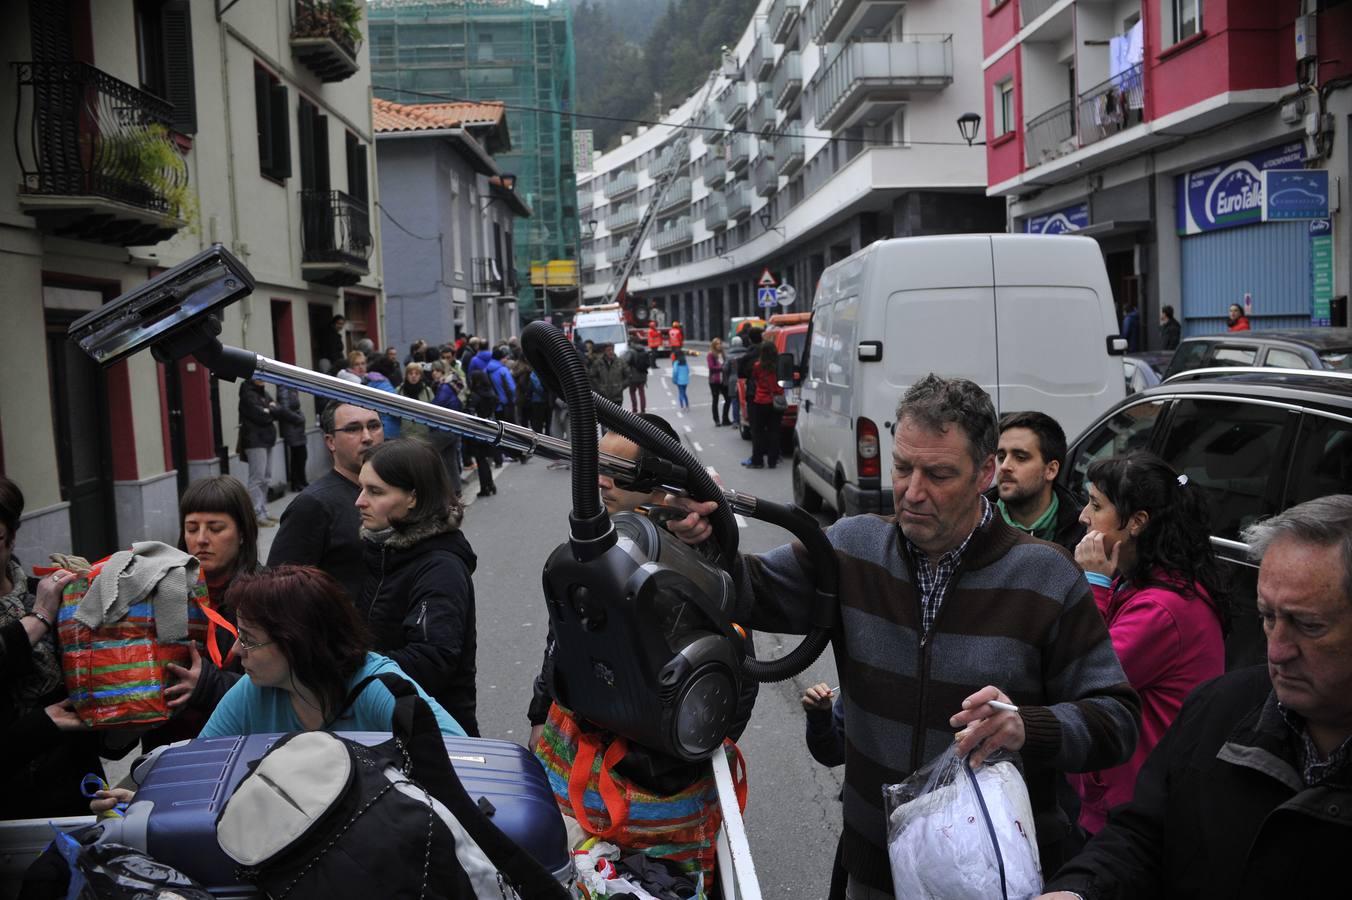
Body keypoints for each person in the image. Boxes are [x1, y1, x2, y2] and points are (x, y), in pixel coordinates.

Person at [667, 374, 1140, 896]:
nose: (913, 492)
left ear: (986, 472)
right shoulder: (852, 548)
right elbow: (748, 588)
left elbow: (1116, 720)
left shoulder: (1046, 577)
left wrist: (1029, 727)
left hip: (998, 878)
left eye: (938, 474)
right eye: (902, 467)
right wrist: (702, 541)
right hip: (874, 872)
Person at [1038, 494, 1352, 900]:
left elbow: (1087, 676)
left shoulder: (1164, 610)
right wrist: (1078, 892)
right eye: (1268, 618)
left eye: (1308, 626)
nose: (1277, 650)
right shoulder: (1218, 709)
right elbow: (1142, 837)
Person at [90, 566, 466, 815]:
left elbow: (462, 760)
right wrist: (149, 798)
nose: (237, 651)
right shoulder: (255, 691)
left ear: (297, 643)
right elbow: (199, 769)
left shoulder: (376, 687)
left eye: (249, 639)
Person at [1066, 450, 1228, 835]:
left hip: (1135, 814)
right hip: (1126, 797)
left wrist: (1093, 586)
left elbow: (1082, 677)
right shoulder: (1140, 582)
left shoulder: (1161, 609)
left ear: (1137, 522)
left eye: (1096, 505)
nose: (1082, 517)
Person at [357, 439, 479, 736]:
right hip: (389, 721)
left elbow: (430, 661)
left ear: (413, 497)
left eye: (375, 491)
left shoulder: (440, 566)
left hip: (434, 736)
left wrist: (346, 664)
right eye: (361, 488)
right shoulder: (383, 550)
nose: (359, 500)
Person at [0, 476, 102, 818]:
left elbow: (90, 707)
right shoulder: (44, 605)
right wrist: (40, 616)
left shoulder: (44, 593)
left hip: (78, 796)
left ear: (12, 538)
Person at [143, 475, 262, 750]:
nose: (201, 539)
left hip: (240, 749)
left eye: (216, 528)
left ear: (243, 533)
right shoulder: (160, 593)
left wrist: (207, 685)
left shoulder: (265, 597)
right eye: (192, 528)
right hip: (167, 750)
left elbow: (281, 688)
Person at [268, 402, 384, 603]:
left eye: (374, 426)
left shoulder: (397, 492)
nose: (367, 437)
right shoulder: (313, 505)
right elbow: (277, 589)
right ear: (331, 442)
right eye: (353, 429)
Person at [985, 411, 1085, 552]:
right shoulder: (973, 522)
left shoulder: (1084, 526)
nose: (1005, 466)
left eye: (1020, 457)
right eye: (1001, 457)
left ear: (1051, 470)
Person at [802, 682, 848, 900]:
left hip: (948, 840)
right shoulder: (866, 663)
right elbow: (832, 752)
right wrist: (820, 716)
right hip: (864, 842)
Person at [238, 378, 281, 526]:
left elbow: (277, 410)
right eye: (259, 375)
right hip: (254, 441)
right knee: (257, 478)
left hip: (267, 439)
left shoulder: (264, 393)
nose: (263, 379)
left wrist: (271, 409)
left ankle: (263, 510)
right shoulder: (247, 395)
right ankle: (255, 515)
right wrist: (269, 410)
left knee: (266, 477)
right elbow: (260, 416)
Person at [743, 342, 784, 469]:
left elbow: (754, 379)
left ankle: (758, 460)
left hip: (760, 401)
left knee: (758, 432)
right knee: (774, 432)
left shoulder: (757, 366)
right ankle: (773, 460)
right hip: (776, 401)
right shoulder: (778, 366)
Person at [429, 360, 465, 499]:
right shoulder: (451, 385)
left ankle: (441, 491)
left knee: (428, 453)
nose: (434, 374)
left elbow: (436, 406)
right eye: (432, 371)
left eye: (437, 371)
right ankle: (456, 490)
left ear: (443, 372)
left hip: (445, 428)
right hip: (453, 427)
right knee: (450, 460)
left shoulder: (444, 387)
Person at [464, 370, 499, 496]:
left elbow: (470, 413)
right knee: (485, 459)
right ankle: (490, 485)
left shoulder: (475, 396)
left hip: (477, 430)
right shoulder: (490, 393)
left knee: (480, 459)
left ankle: (485, 487)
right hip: (489, 428)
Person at [276, 386, 308, 493]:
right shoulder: (284, 388)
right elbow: (284, 410)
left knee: (301, 456)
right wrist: (299, 418)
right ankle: (297, 483)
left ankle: (302, 481)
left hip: (297, 427)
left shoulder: (291, 387)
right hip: (292, 427)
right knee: (297, 456)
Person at [397, 361, 434, 439]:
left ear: (420, 376)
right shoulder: (399, 390)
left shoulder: (427, 391)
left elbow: (433, 411)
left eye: (416, 374)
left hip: (423, 433)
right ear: (406, 375)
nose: (413, 376)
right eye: (410, 373)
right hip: (404, 434)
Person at [588, 342, 627, 411]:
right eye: (608, 350)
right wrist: (599, 387)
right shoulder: (598, 363)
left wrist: (621, 386)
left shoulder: (620, 362)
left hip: (617, 397)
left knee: (618, 417)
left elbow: (628, 376)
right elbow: (592, 376)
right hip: (603, 396)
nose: (610, 352)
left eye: (611, 350)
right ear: (604, 351)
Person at [725, 335, 749, 427]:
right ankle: (745, 418)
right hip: (744, 379)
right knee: (745, 400)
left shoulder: (729, 356)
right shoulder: (746, 354)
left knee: (734, 401)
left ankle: (736, 421)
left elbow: (725, 369)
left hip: (732, 380)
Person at [707, 337, 730, 426]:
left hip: (723, 380)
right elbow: (711, 367)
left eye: (720, 343)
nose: (719, 345)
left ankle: (725, 418)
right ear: (714, 345)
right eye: (717, 344)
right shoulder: (711, 354)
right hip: (714, 381)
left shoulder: (723, 354)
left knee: (728, 399)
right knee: (715, 400)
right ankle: (716, 420)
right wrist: (722, 368)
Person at [626, 345, 651, 413]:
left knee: (632, 392)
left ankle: (634, 409)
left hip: (633, 376)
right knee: (642, 393)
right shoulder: (644, 353)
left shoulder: (631, 352)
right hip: (643, 376)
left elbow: (627, 362)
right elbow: (648, 364)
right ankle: (643, 410)